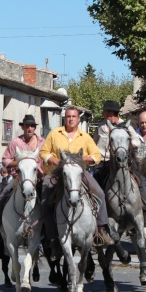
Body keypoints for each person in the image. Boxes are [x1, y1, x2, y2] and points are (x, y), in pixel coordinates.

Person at [39, 106, 115, 254]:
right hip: (57, 173)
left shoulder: (85, 137)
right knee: (45, 197)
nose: (71, 119)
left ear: (78, 119)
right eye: (68, 116)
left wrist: (82, 159)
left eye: (74, 116)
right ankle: (52, 237)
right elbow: (43, 152)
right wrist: (54, 160)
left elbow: (96, 156)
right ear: (64, 118)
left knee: (99, 193)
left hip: (79, 173)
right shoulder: (55, 133)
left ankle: (101, 230)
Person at [94, 101, 146, 223]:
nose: (103, 113)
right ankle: (98, 217)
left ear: (110, 113)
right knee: (96, 186)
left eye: (104, 111)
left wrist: (130, 144)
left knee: (141, 180)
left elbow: (137, 140)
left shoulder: (125, 126)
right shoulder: (101, 127)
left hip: (123, 162)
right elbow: (95, 143)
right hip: (104, 162)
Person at [0, 114, 44, 243]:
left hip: (38, 179)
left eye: (32, 126)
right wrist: (20, 163)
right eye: (27, 126)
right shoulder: (15, 142)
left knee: (49, 201)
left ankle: (50, 235)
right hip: (18, 179)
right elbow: (5, 159)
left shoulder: (42, 142)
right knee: (1, 199)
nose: (29, 128)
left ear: (35, 128)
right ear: (23, 127)